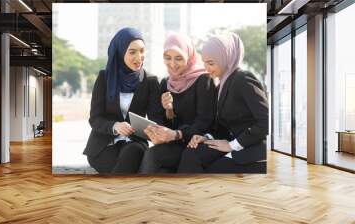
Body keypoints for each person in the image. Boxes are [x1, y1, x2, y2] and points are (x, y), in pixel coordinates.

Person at [178, 31, 269, 173]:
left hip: (251, 151)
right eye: (204, 63)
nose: (206, 69)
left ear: (225, 58)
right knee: (191, 153)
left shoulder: (243, 79)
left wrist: (233, 145)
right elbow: (223, 127)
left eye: (211, 63)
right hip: (231, 146)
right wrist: (206, 138)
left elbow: (266, 121)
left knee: (213, 170)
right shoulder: (221, 85)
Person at [83, 27, 164, 174]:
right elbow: (95, 119)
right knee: (121, 165)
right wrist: (115, 126)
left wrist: (166, 113)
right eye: (132, 52)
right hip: (103, 145)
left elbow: (156, 120)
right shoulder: (104, 78)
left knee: (131, 154)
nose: (139, 57)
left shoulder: (150, 81)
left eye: (142, 51)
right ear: (120, 52)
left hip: (134, 143)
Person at [139, 33, 216, 174]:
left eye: (179, 58)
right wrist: (169, 111)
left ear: (189, 56)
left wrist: (177, 134)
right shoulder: (166, 84)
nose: (172, 64)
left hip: (196, 143)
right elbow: (168, 126)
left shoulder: (203, 80)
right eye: (168, 58)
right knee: (156, 161)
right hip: (175, 144)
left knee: (154, 157)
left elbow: (205, 121)